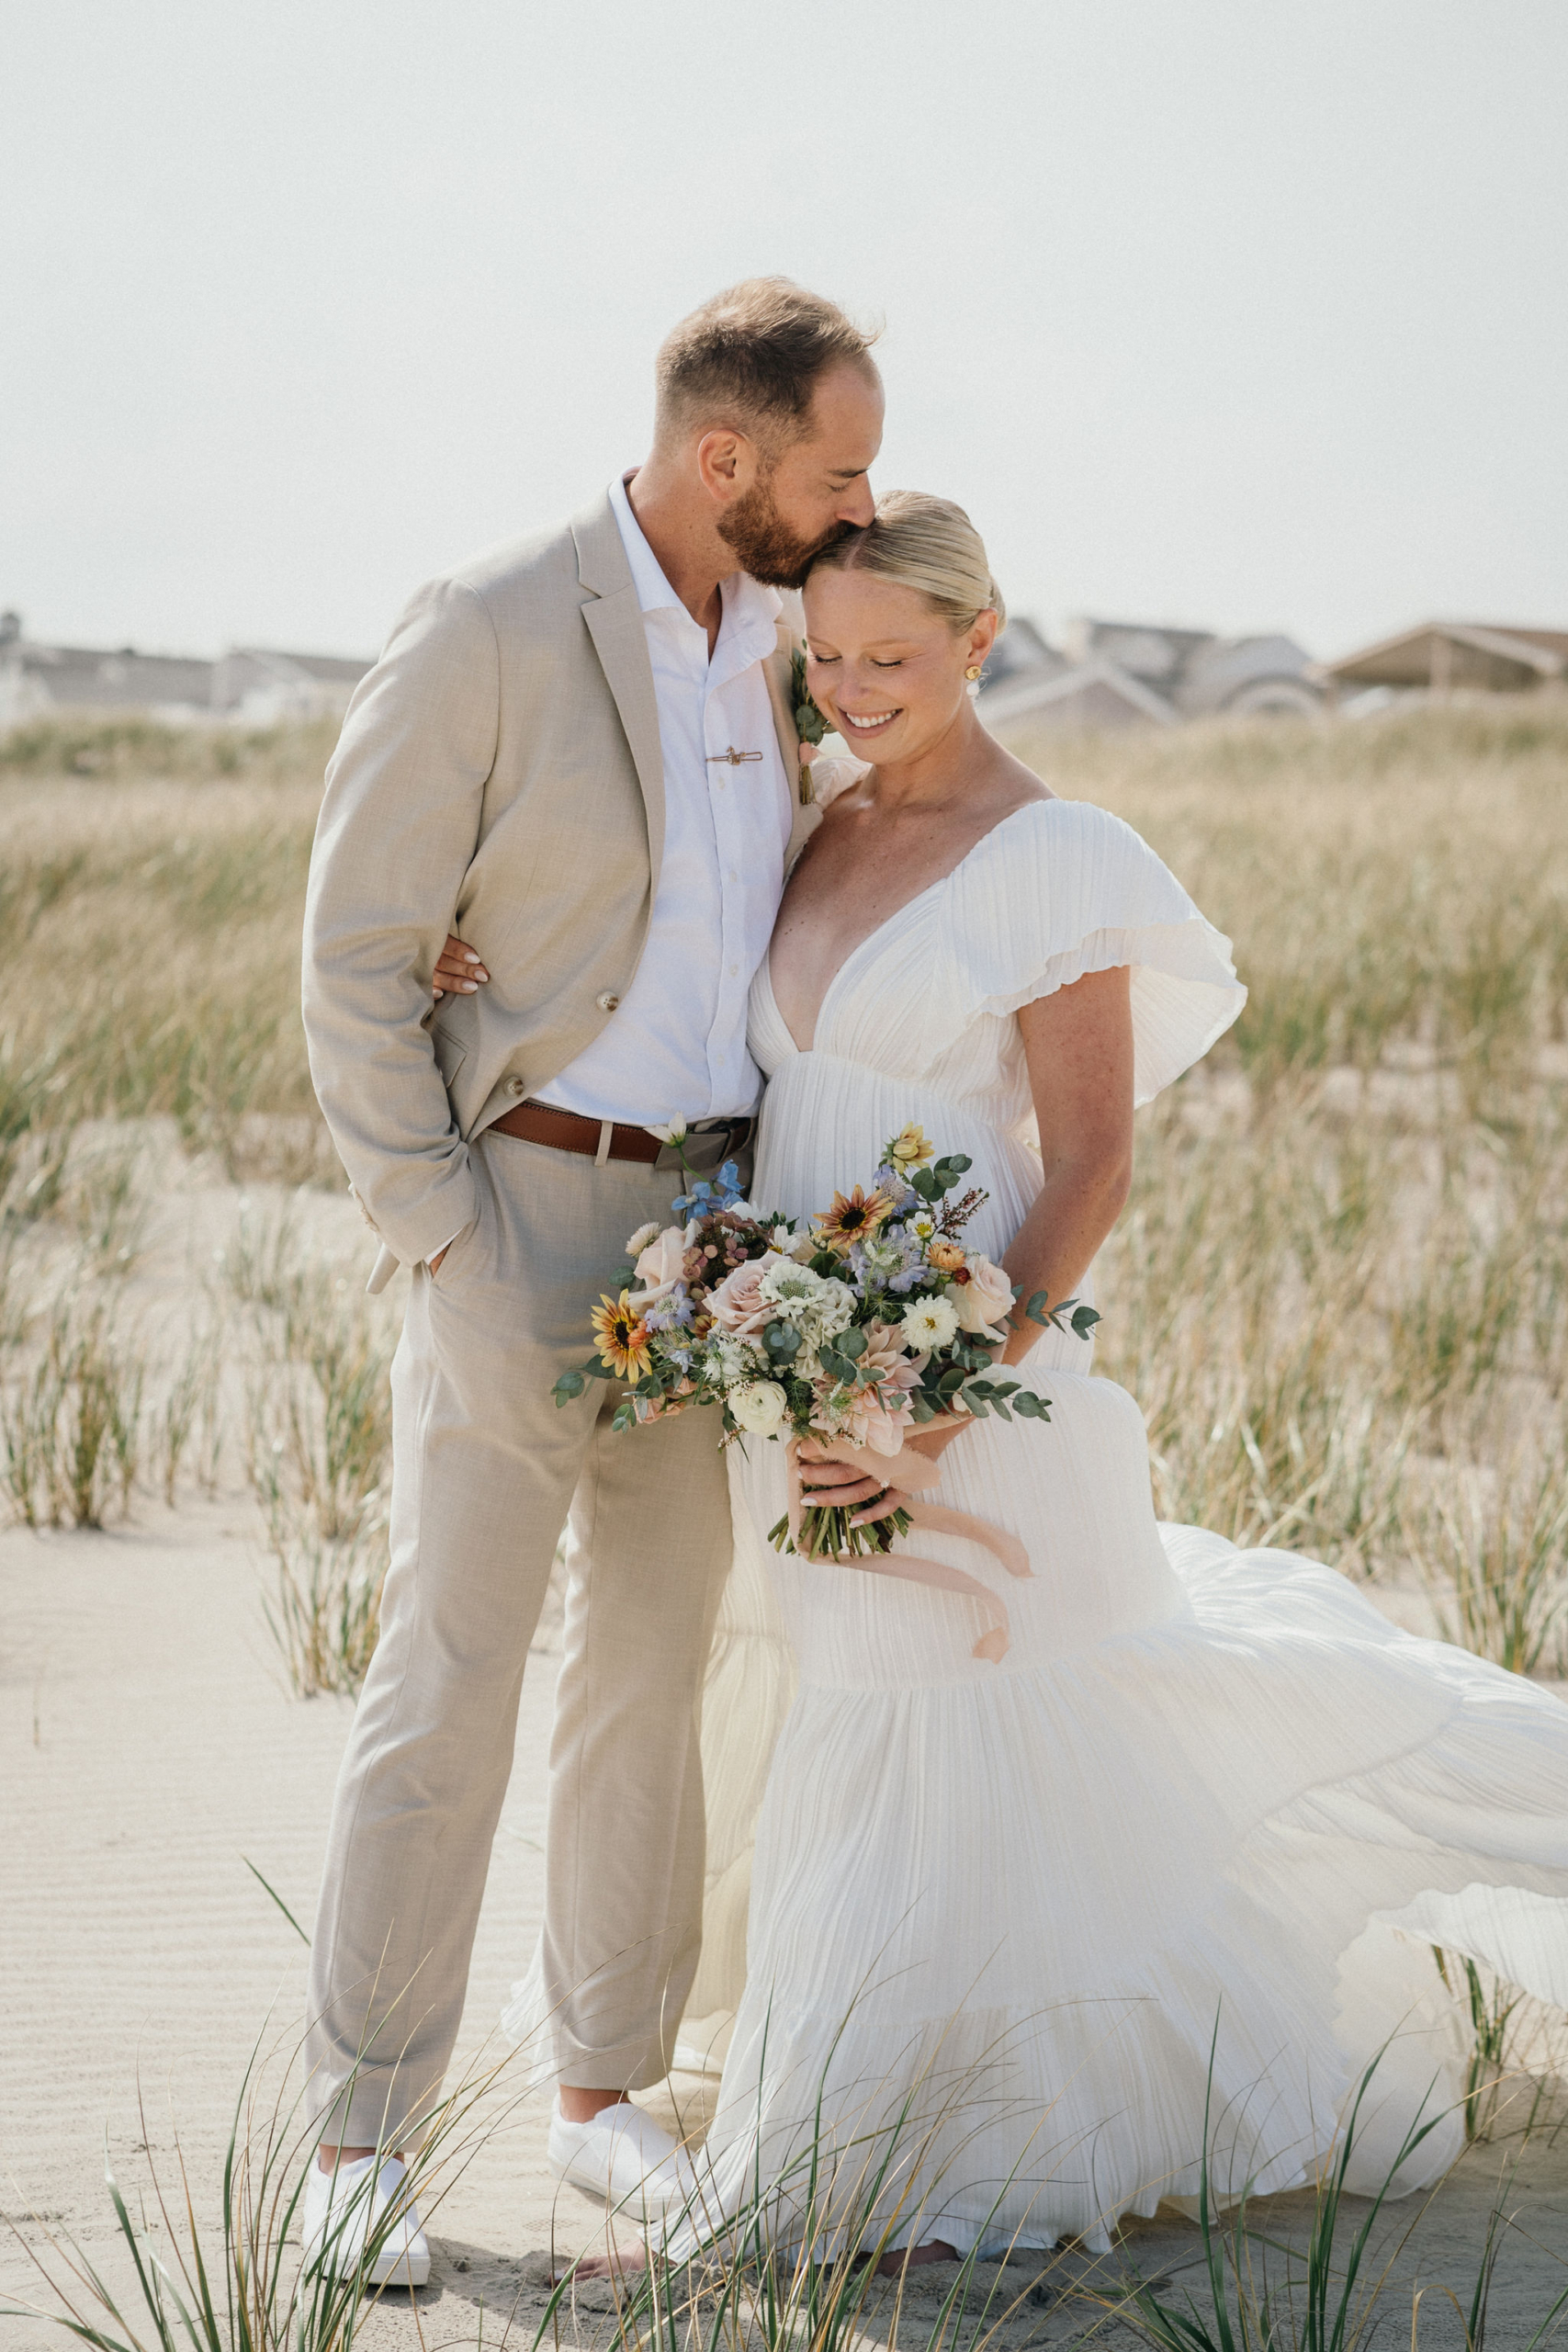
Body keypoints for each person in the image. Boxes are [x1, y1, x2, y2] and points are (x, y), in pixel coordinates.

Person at [470, 490, 1568, 2265]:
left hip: (958, 1371)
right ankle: (869, 2089)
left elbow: (1090, 1169)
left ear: (984, 640)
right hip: (802, 1370)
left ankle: (899, 2137)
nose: (853, 690)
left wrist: (932, 1407)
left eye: (893, 657)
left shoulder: (1058, 856)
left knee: (957, 1704)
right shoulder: (811, 828)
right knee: (842, 1694)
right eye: (824, 660)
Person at [296, 277, 884, 2285]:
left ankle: (600, 2090)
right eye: (836, 467)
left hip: (713, 1242)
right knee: (446, 1676)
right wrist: (441, 1234)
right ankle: (356, 2133)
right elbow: (355, 957)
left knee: (649, 1668)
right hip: (516, 1215)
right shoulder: (483, 624)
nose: (859, 503)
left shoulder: (782, 644)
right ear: (726, 459)